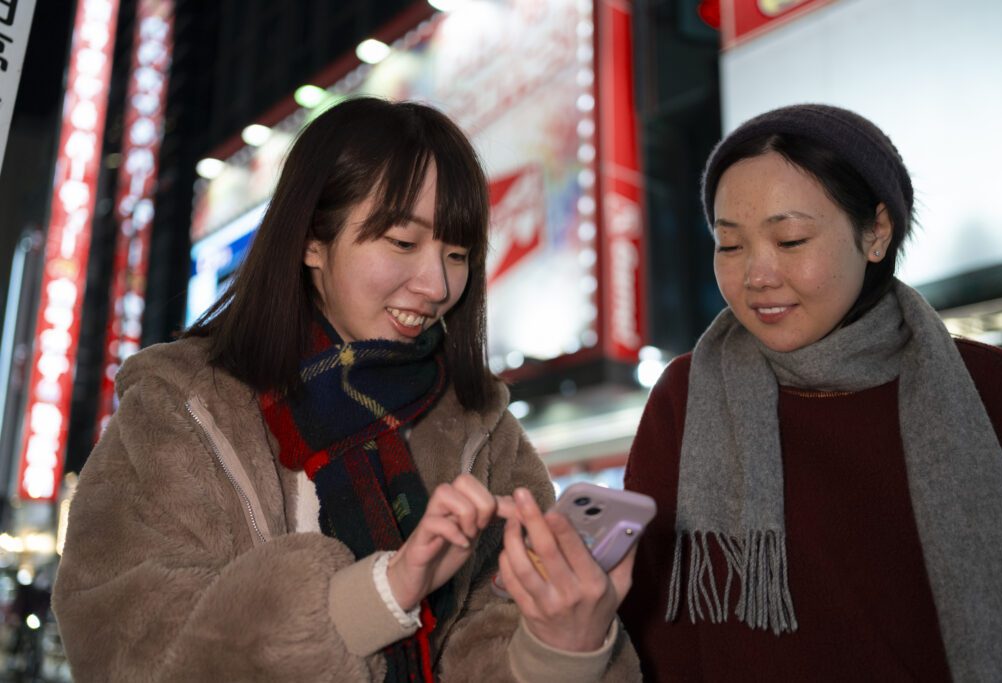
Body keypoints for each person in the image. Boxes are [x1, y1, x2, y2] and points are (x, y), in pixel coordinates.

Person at [52, 97, 640, 682]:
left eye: (457, 254)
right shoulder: (182, 403)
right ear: (312, 240)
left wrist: (565, 646)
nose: (437, 285)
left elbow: (488, 638)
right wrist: (382, 593)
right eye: (403, 244)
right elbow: (122, 642)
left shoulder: (481, 427)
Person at [619, 103, 1002, 682]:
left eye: (790, 240)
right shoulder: (686, 398)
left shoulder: (998, 392)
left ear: (876, 233)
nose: (757, 275)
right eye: (730, 246)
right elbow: (646, 624)